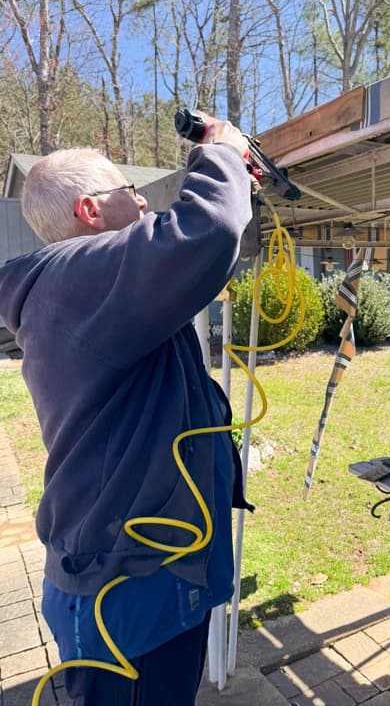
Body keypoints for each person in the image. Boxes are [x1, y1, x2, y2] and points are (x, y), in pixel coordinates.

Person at [0, 116, 254, 705]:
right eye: (127, 192)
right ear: (89, 211)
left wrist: (238, 185)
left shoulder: (86, 290)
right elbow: (207, 230)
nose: (141, 201)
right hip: (129, 589)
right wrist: (220, 152)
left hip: (146, 572)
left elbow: (207, 250)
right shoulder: (76, 277)